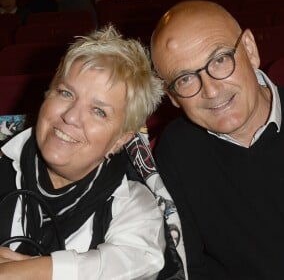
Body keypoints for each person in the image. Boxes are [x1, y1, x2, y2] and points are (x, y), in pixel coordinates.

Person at [0, 25, 166, 280]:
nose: (70, 117)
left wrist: (33, 271)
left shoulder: (131, 206)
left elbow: (139, 260)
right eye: (66, 93)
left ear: (120, 139)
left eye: (99, 111)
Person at [151, 0, 284, 279]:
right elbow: (189, 266)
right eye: (184, 79)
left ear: (250, 49)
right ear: (171, 96)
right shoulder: (177, 151)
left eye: (219, 60)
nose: (210, 90)